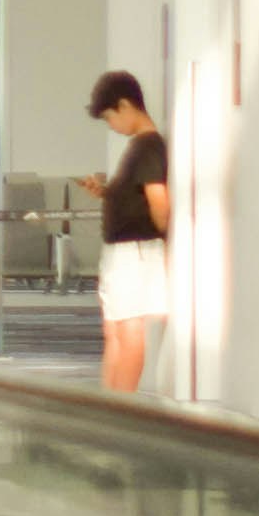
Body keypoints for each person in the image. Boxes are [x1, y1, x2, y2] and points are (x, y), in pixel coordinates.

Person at [80, 70, 172, 397]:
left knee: (128, 332)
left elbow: (158, 202)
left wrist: (169, 242)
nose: (111, 126)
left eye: (109, 118)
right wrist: (107, 194)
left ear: (124, 105)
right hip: (125, 253)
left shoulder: (148, 146)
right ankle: (112, 404)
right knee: (117, 332)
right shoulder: (141, 147)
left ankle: (120, 406)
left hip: (134, 253)